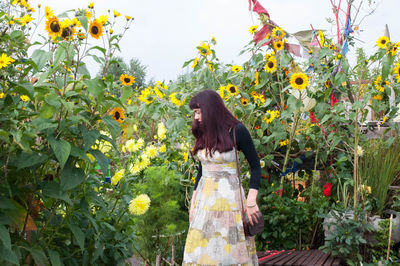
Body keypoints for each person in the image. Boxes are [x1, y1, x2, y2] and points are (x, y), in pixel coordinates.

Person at [182, 89, 261, 265]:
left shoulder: (237, 130)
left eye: (198, 112)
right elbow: (202, 170)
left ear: (210, 110)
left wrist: (251, 200)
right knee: (201, 249)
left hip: (230, 200)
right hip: (204, 201)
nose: (196, 117)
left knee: (230, 249)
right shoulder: (203, 132)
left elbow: (255, 167)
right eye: (195, 113)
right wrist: (193, 202)